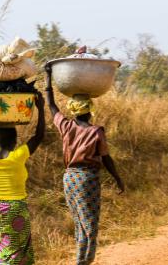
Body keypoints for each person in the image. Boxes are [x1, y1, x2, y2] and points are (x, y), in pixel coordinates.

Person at [44, 65, 125, 265]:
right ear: (90, 110)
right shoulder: (96, 132)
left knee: (79, 221)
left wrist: (47, 77)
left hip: (69, 178)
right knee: (90, 223)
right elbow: (106, 158)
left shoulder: (65, 126)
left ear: (73, 109)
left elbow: (52, 106)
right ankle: (84, 261)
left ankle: (81, 258)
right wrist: (117, 178)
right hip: (87, 179)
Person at [0, 93, 45, 265]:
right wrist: (41, 110)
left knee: (2, 247)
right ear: (15, 140)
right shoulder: (18, 156)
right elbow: (38, 136)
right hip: (16, 207)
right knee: (19, 250)